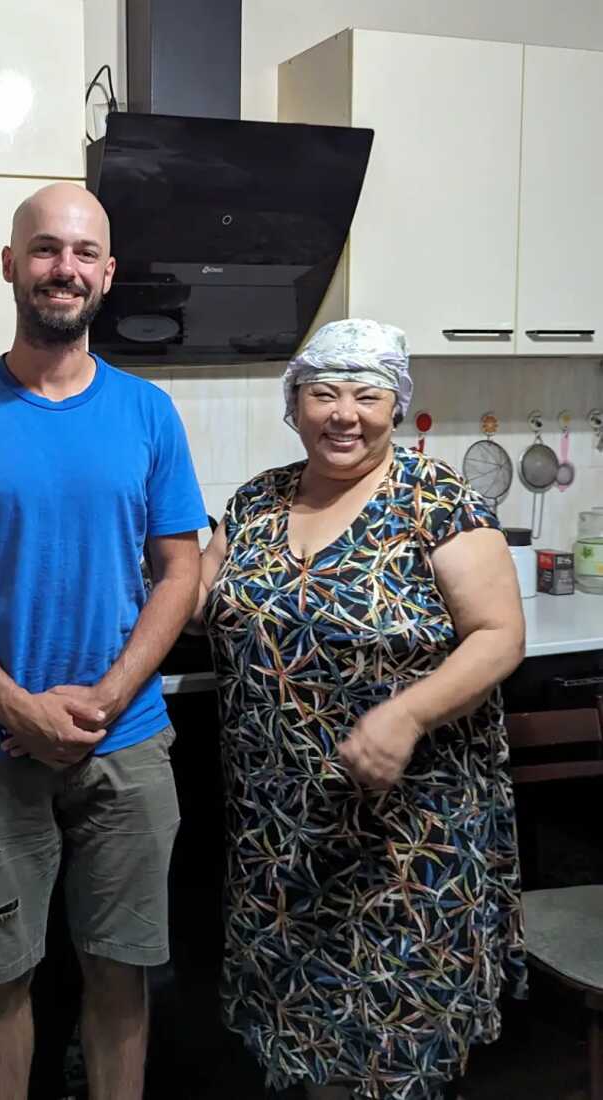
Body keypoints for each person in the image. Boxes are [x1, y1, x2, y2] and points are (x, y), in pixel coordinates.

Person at [0, 182, 207, 1100]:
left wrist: (107, 697)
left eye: (81, 253)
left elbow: (180, 573)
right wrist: (13, 705)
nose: (62, 269)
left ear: (106, 275)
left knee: (122, 973)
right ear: (11, 265)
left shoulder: (148, 412)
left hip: (130, 741)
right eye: (44, 249)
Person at [195, 319, 527, 1100]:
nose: (344, 413)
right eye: (323, 393)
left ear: (394, 404)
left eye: (366, 395)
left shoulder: (436, 497)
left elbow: (499, 634)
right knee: (311, 1041)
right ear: (296, 405)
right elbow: (193, 601)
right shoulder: (257, 501)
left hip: (407, 836)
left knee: (391, 1046)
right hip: (283, 836)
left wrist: (406, 716)